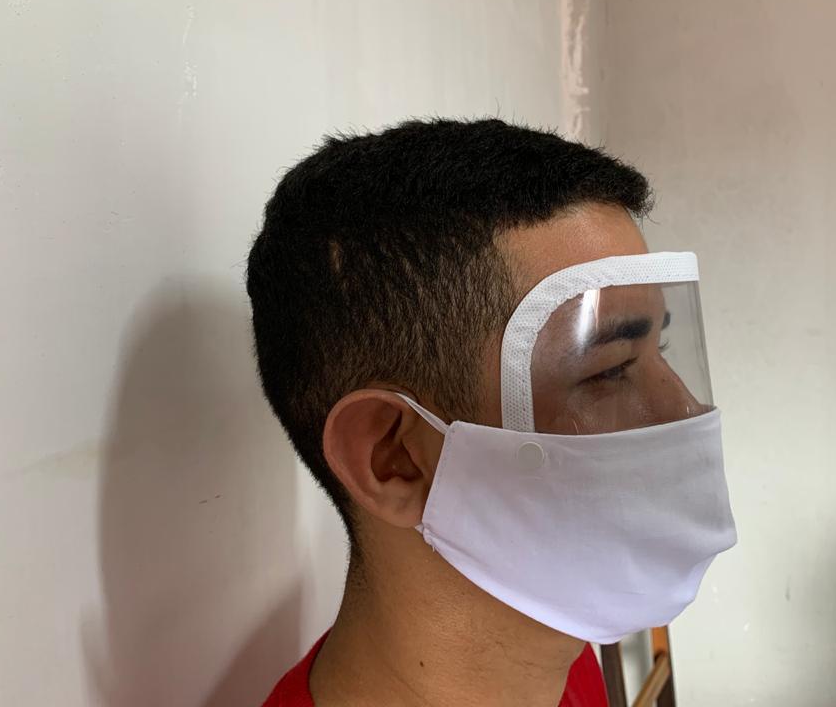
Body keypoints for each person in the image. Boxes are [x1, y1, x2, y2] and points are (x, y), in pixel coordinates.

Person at [246, 119, 736, 707]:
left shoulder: (561, 650)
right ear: (393, 457)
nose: (684, 407)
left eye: (661, 346)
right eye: (609, 370)